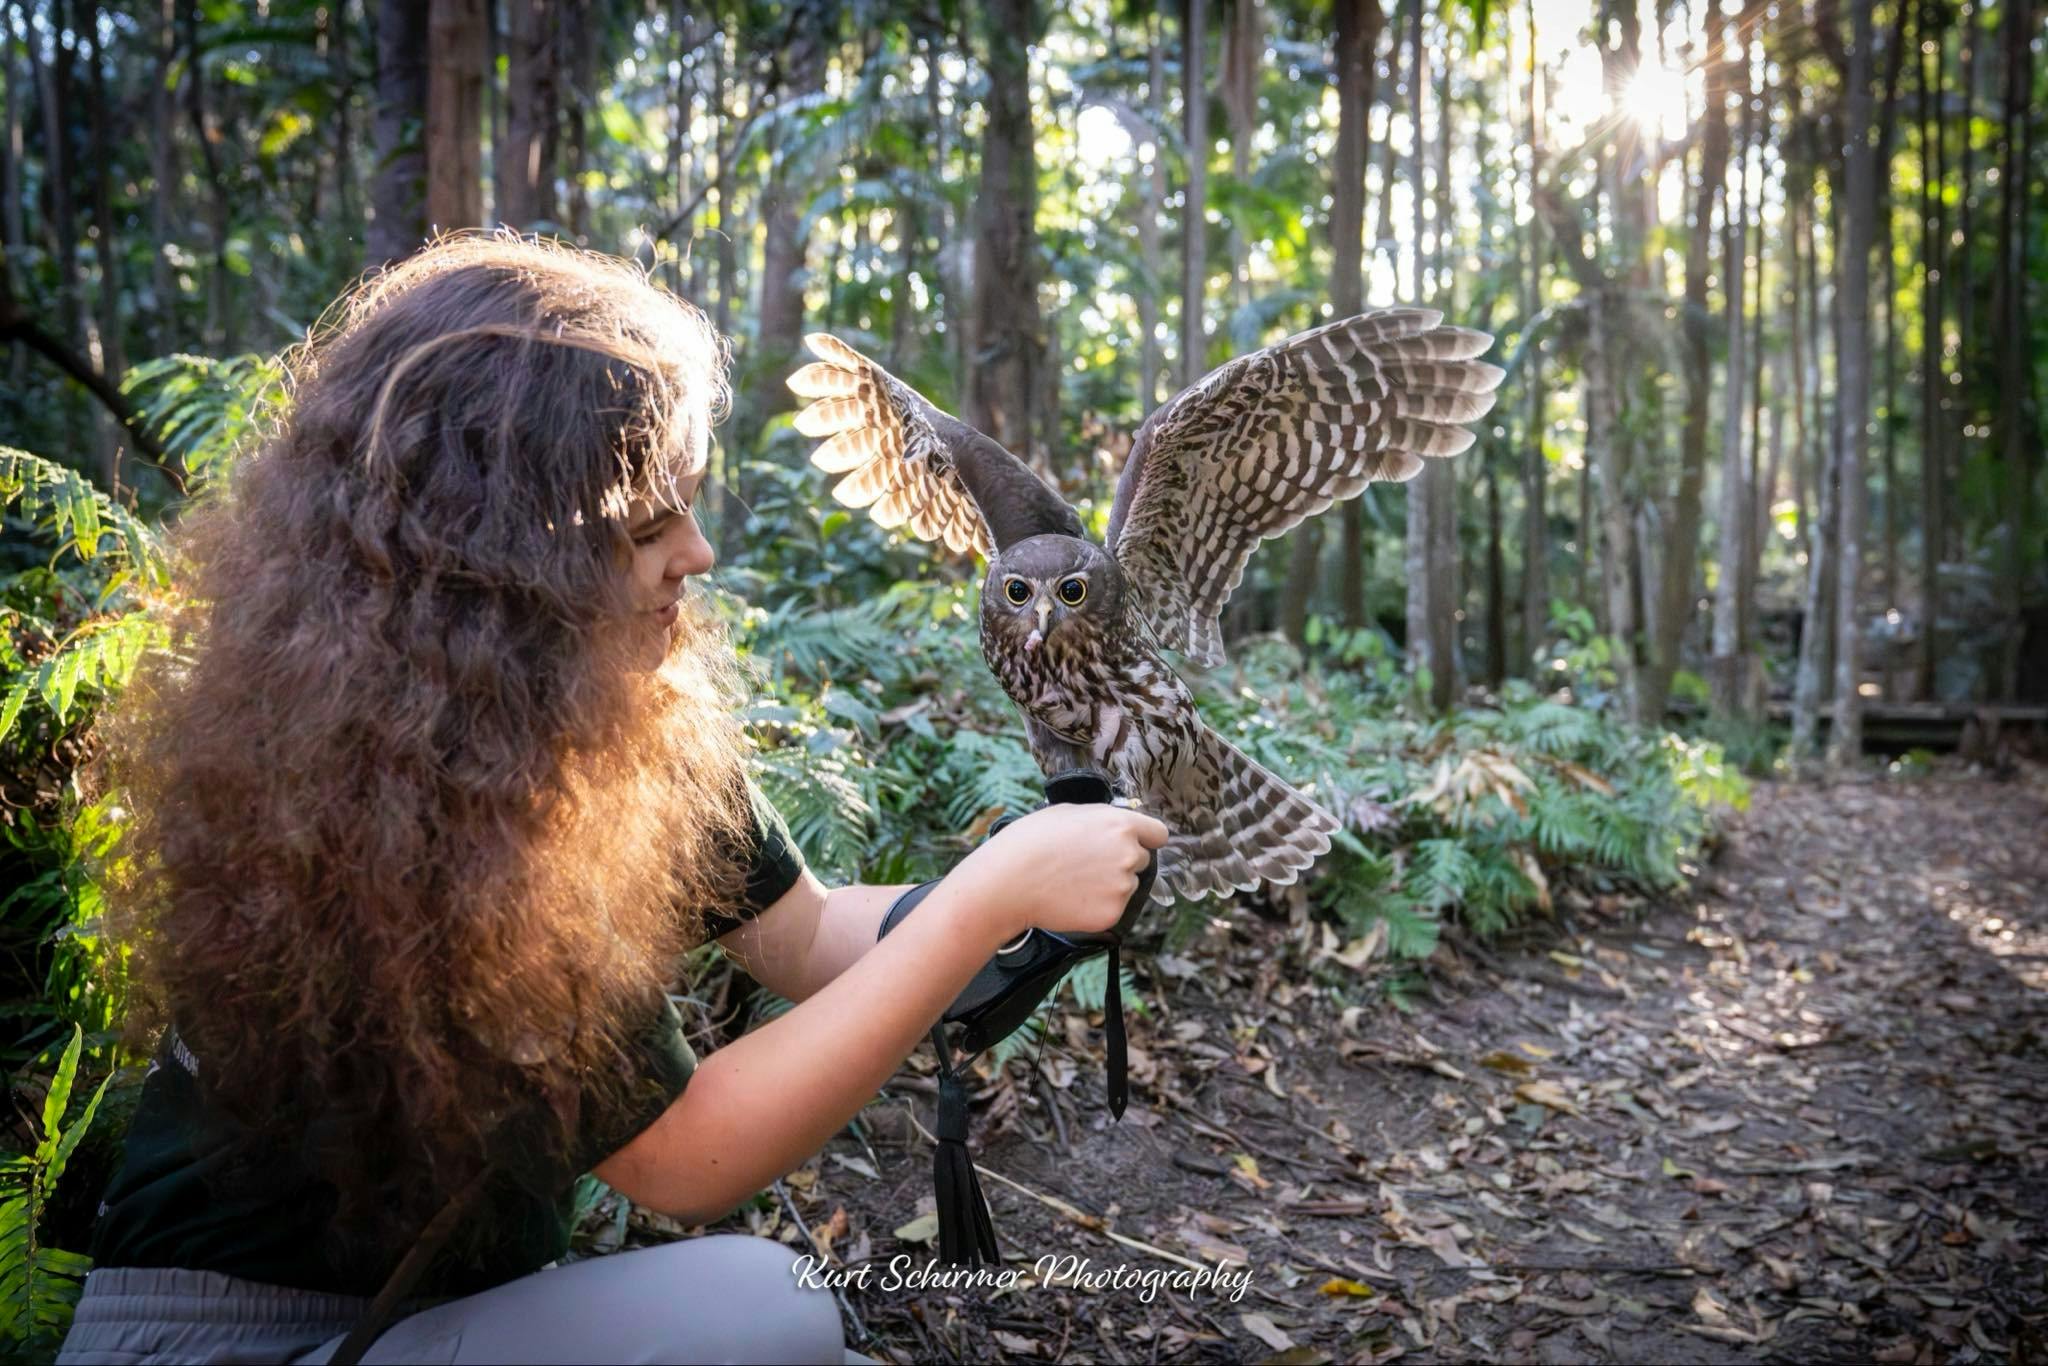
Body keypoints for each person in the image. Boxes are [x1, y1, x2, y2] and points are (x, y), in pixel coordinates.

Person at [57, 234, 1167, 1365]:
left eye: (688, 504)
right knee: (760, 1309)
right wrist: (983, 899)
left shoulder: (612, 718)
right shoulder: (409, 792)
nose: (699, 549)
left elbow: (812, 934)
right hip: (225, 1341)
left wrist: (1028, 901)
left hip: (421, 1323)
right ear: (502, 559)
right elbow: (687, 1162)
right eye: (648, 526)